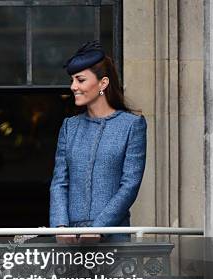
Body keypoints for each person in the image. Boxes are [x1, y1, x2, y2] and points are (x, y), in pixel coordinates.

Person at [50, 41, 147, 243]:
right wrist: (60, 227)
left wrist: (99, 228)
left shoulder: (132, 125)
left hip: (113, 236)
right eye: (72, 80)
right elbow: (60, 182)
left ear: (103, 83)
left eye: (80, 80)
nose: (73, 86)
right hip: (71, 240)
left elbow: (130, 185)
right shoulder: (70, 127)